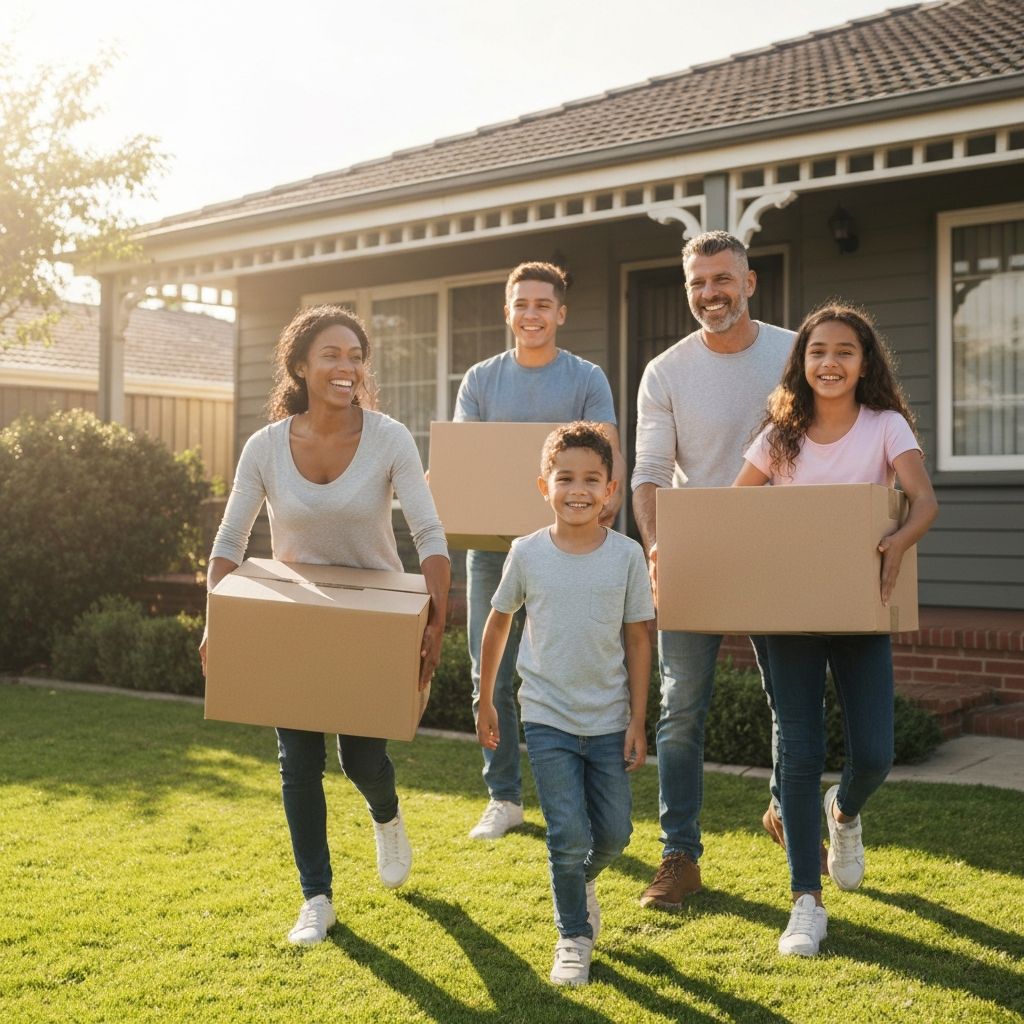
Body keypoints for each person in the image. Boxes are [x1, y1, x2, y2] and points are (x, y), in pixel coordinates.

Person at [200, 305, 450, 946]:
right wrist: (216, 621)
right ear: (301, 365)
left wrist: (435, 621)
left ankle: (387, 815)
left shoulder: (390, 438)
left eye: (355, 355)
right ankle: (317, 897)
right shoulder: (265, 446)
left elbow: (427, 532)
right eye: (333, 355)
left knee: (362, 757)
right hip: (297, 618)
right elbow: (231, 540)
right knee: (297, 760)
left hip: (376, 619)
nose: (347, 367)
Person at [734, 303, 938, 956]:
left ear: (864, 362)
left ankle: (844, 812)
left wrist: (897, 544)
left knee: (874, 753)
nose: (830, 362)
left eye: (844, 351)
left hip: (858, 609)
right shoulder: (780, 434)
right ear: (802, 362)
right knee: (798, 751)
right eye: (818, 351)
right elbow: (733, 508)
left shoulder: (885, 427)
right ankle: (804, 901)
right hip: (785, 615)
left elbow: (923, 501)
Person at [631, 230, 797, 909]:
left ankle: (790, 813)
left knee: (790, 701)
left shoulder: (793, 353)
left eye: (722, 280)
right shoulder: (665, 371)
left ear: (749, 283)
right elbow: (646, 475)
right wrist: (655, 545)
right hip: (695, 553)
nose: (710, 293)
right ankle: (679, 856)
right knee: (680, 713)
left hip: (776, 549)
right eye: (699, 283)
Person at [476, 422, 653, 986]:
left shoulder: (626, 556)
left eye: (591, 479)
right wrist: (486, 696)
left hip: (607, 720)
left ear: (610, 489)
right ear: (543, 485)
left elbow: (640, 639)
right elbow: (499, 621)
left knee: (615, 835)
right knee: (567, 834)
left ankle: (580, 881)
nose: (578, 489)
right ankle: (572, 935)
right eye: (565, 477)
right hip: (546, 717)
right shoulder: (527, 553)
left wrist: (638, 719)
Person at [455, 261, 625, 841]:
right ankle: (503, 796)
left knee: (572, 665)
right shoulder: (480, 379)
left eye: (543, 305)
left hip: (570, 551)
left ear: (560, 314)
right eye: (521, 304)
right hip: (494, 551)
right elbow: (468, 464)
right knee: (492, 669)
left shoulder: (586, 378)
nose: (532, 314)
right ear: (508, 312)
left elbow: (608, 462)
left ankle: (574, 783)